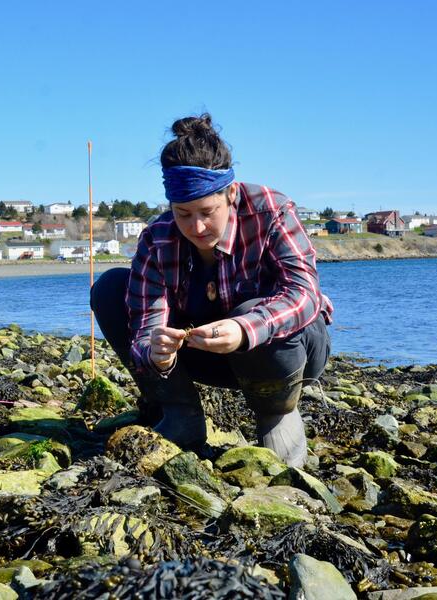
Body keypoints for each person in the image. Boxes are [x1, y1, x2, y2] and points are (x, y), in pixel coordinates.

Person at [91, 114, 332, 467]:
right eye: (183, 213)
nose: (197, 226)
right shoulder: (158, 237)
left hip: (290, 355)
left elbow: (304, 293)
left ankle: (275, 416)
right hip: (207, 354)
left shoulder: (271, 210)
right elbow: (144, 326)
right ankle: (181, 414)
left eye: (207, 211)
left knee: (250, 309)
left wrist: (244, 328)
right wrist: (156, 353)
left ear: (231, 194)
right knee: (110, 287)